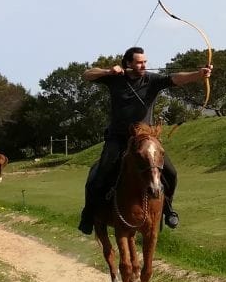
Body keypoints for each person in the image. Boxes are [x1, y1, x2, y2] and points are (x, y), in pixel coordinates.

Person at [78, 46, 211, 235]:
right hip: (117, 138)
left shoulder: (152, 80)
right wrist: (108, 71)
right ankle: (88, 215)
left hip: (144, 139)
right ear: (128, 63)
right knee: (100, 174)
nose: (143, 65)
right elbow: (86, 74)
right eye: (139, 62)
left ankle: (168, 210)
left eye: (145, 62)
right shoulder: (115, 78)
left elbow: (176, 78)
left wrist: (198, 74)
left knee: (170, 173)